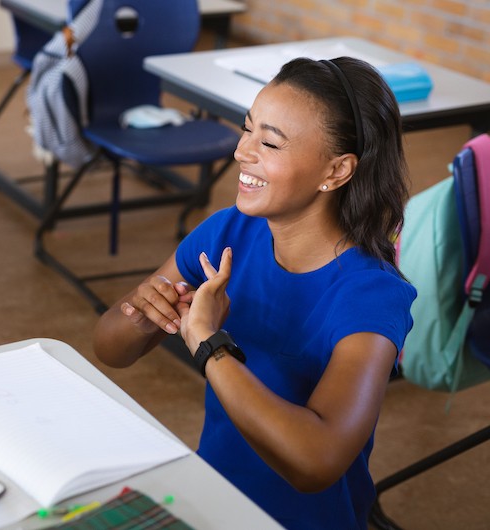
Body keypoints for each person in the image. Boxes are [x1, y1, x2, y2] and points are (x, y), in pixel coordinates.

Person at [93, 56, 416, 529]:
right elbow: (109, 349)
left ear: (338, 169)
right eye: (247, 130)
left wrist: (209, 343)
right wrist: (143, 314)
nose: (242, 151)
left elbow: (316, 461)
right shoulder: (228, 232)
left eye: (268, 142)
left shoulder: (371, 295)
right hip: (213, 502)